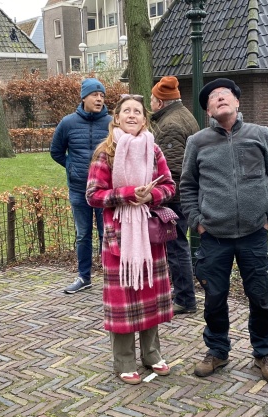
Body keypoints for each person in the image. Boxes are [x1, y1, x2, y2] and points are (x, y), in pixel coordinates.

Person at [180, 78, 268, 383]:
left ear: (237, 102)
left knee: (260, 296)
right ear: (208, 111)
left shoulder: (260, 134)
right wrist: (197, 221)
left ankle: (264, 353)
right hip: (214, 236)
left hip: (255, 233)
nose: (219, 99)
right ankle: (217, 350)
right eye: (212, 98)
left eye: (224, 94)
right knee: (214, 297)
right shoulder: (197, 142)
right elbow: (187, 186)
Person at [86, 94, 177, 385]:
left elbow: (169, 186)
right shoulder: (106, 152)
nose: (132, 115)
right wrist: (126, 195)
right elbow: (93, 195)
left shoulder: (154, 150)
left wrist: (151, 195)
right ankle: (124, 361)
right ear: (117, 117)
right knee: (123, 300)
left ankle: (152, 354)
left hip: (149, 236)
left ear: (144, 118)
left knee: (149, 295)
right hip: (118, 239)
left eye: (138, 111)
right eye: (126, 111)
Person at [51, 78, 112, 294]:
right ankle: (84, 277)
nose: (99, 99)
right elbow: (56, 151)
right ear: (84, 97)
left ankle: (110, 277)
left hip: (104, 191)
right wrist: (71, 167)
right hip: (79, 190)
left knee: (107, 234)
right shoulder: (67, 123)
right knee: (83, 234)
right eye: (95, 95)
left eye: (102, 95)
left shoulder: (112, 123)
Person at [149, 76, 199, 315]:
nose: (150, 104)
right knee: (178, 246)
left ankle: (185, 299)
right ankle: (183, 293)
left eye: (151, 100)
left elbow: (173, 169)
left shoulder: (169, 125)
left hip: (175, 199)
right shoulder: (185, 114)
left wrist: (161, 197)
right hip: (184, 195)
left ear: (160, 102)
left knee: (176, 247)